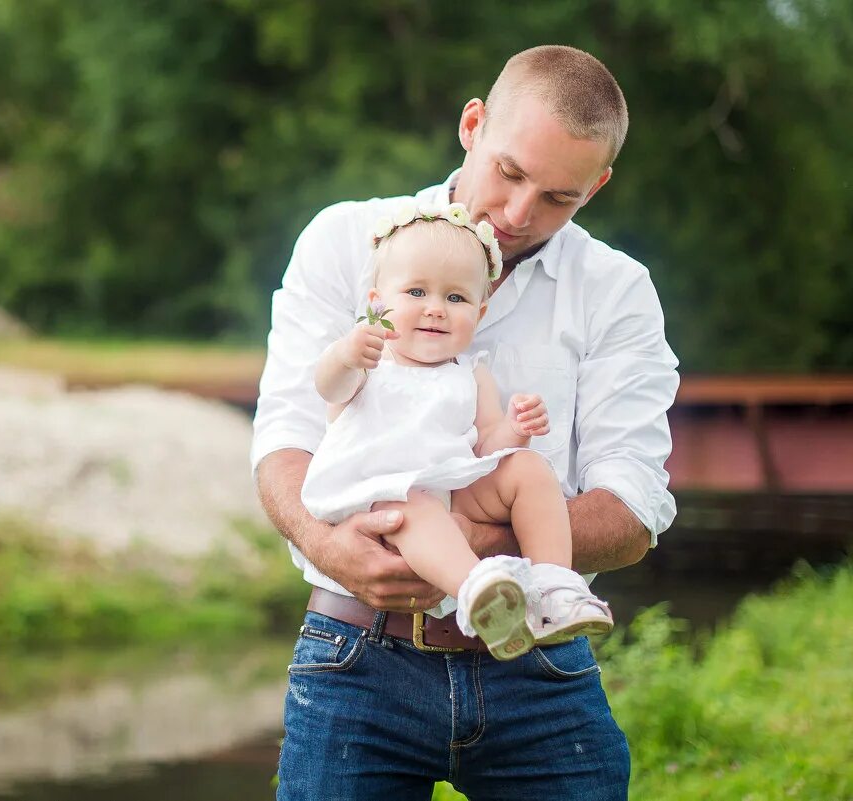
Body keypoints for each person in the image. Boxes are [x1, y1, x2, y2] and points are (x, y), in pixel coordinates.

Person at [254, 45, 678, 799]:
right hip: (356, 653)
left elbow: (636, 503)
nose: (518, 216)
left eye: (559, 197)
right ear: (473, 124)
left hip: (540, 668)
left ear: (599, 185)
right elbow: (285, 437)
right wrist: (329, 544)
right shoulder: (347, 240)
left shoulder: (616, 291)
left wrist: (484, 551)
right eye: (510, 174)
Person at [301, 201, 614, 661]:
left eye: (455, 298)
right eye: (415, 292)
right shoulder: (371, 363)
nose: (435, 310)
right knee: (415, 505)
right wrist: (346, 354)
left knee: (526, 468)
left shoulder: (470, 374)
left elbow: (486, 444)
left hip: (455, 484)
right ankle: (479, 592)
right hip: (386, 494)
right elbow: (329, 386)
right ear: (375, 304)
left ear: (479, 312)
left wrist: (514, 429)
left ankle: (554, 588)